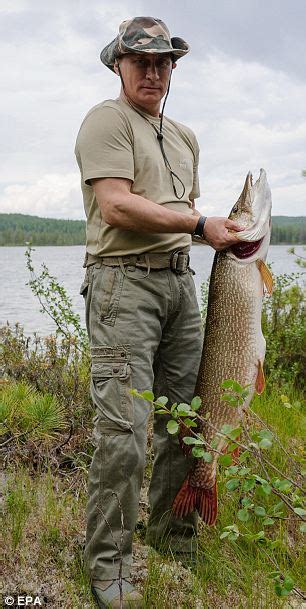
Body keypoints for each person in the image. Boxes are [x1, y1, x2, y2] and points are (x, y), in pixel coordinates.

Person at [75, 16, 241, 608]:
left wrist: (221, 235)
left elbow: (177, 218)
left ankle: (173, 542)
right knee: (124, 433)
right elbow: (118, 207)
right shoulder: (106, 122)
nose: (152, 71)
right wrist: (200, 224)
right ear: (118, 64)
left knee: (184, 422)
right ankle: (110, 564)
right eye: (140, 61)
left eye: (163, 61)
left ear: (174, 68)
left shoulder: (184, 136)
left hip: (180, 287)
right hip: (124, 288)